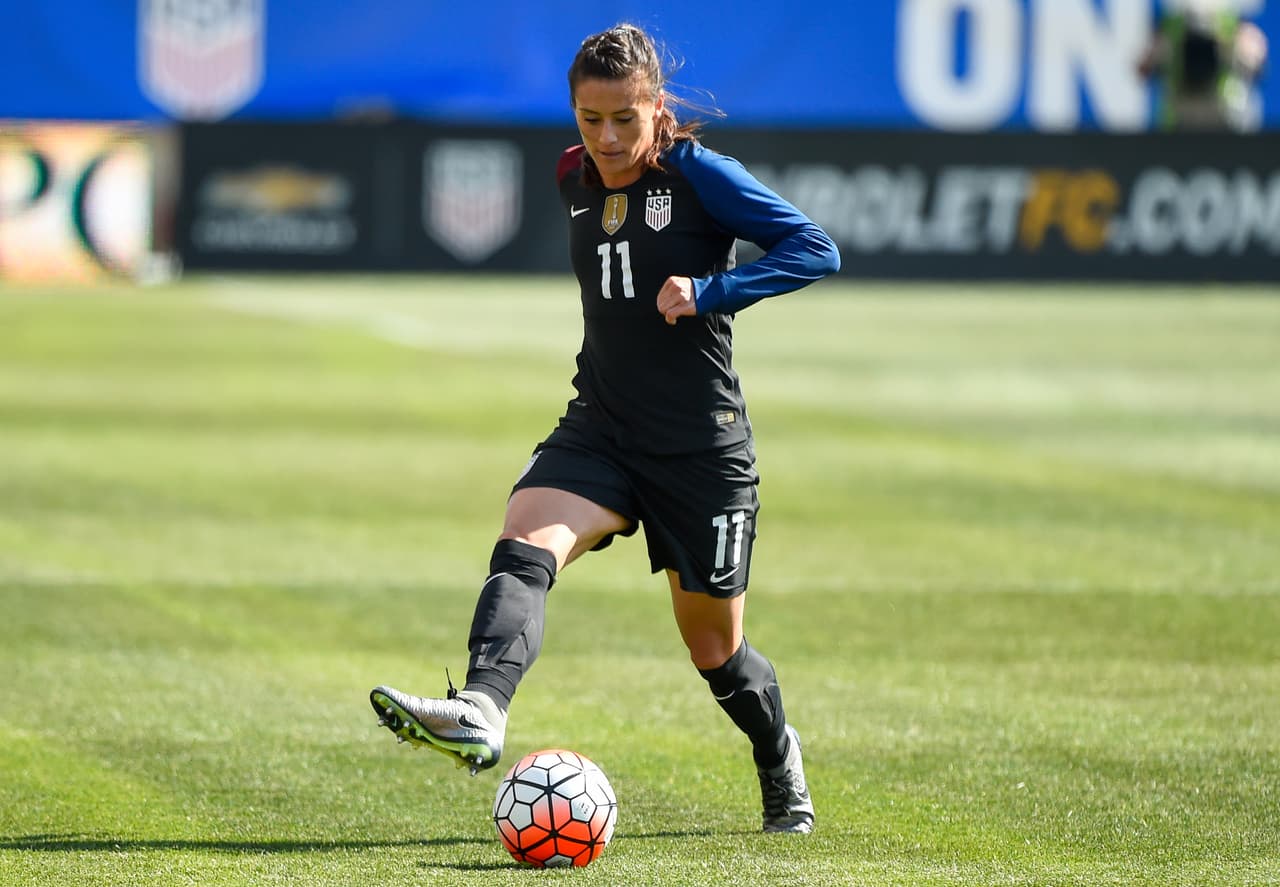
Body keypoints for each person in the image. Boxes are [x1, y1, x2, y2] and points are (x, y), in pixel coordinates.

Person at [370, 22, 840, 835]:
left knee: (714, 651)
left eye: (627, 117)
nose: (610, 137)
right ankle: (483, 704)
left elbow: (815, 247)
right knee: (524, 536)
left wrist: (713, 290)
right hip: (603, 425)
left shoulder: (700, 177)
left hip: (701, 447)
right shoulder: (571, 176)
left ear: (657, 107)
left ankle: (777, 756)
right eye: (592, 119)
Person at [1138, 0, 1269, 131]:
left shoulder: (1234, 26)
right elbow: (1143, 69)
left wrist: (1238, 52)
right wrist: (1160, 54)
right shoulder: (1171, 27)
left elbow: (1257, 66)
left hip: (1223, 116)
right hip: (1181, 118)